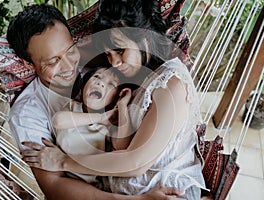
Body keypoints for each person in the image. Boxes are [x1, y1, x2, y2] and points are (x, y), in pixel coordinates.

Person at [21, 0, 206, 199]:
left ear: (144, 39)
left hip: (168, 193)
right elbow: (121, 146)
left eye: (119, 50)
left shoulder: (172, 82)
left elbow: (136, 162)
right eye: (108, 54)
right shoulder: (136, 80)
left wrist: (63, 161)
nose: (114, 63)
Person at [53, 65, 133, 183]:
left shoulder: (108, 126)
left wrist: (122, 106)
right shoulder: (72, 107)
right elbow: (58, 120)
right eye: (97, 77)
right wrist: (99, 118)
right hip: (58, 174)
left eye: (111, 84)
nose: (100, 84)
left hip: (87, 185)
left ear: (115, 98)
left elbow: (122, 146)